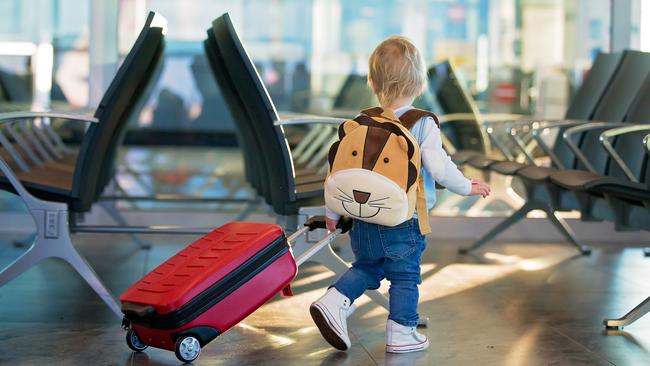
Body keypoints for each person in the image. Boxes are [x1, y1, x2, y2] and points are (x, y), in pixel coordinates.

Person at [309, 36, 491, 354]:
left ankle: (334, 299)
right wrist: (466, 186)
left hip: (362, 216)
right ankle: (402, 332)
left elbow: (337, 171)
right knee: (405, 276)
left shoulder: (359, 122)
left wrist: (334, 212)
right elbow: (439, 165)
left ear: (373, 82)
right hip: (403, 219)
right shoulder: (422, 124)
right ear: (419, 82)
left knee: (367, 267)